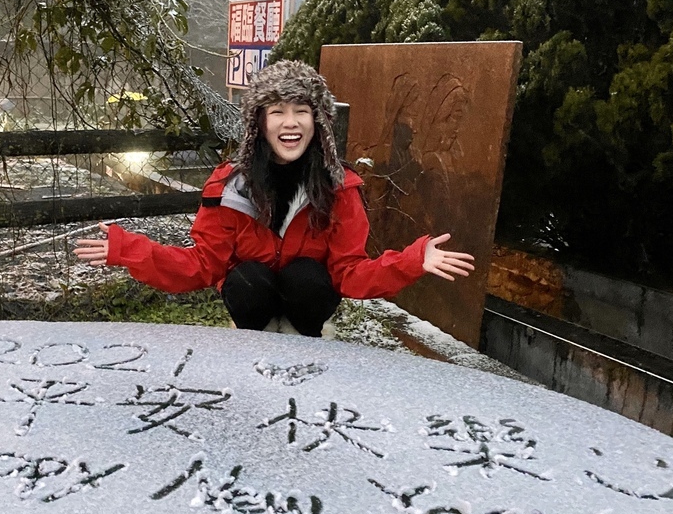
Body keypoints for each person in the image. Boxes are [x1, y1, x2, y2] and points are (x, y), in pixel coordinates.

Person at [73, 60, 475, 338]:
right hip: (253, 307)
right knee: (249, 277)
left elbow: (349, 274)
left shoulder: (339, 189)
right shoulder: (229, 188)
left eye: (301, 110)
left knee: (307, 275)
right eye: (278, 111)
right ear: (259, 123)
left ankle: (306, 348)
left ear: (317, 123)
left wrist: (412, 260)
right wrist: (128, 250)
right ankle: (251, 346)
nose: (290, 122)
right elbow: (201, 266)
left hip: (308, 310)